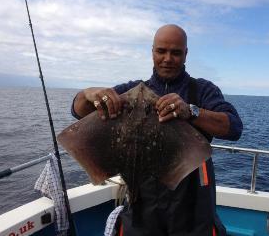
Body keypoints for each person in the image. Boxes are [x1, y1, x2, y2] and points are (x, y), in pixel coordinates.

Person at [71, 24, 243, 236]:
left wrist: (191, 111)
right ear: (152, 52)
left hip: (191, 209)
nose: (168, 58)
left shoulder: (202, 90)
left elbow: (234, 127)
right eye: (161, 51)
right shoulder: (131, 91)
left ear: (186, 54)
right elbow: (79, 111)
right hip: (141, 206)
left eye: (176, 52)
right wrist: (88, 93)